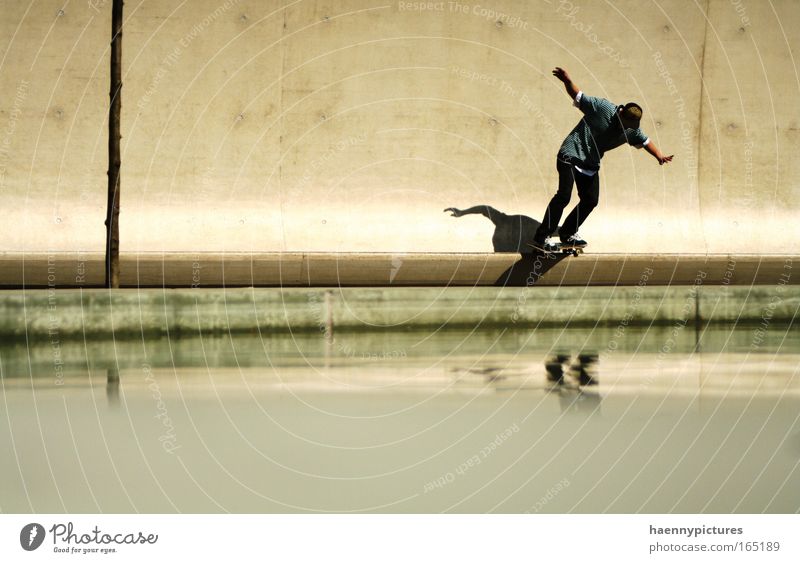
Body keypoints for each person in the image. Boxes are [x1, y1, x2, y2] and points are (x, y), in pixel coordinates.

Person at [531, 67, 673, 252]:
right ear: (621, 113)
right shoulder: (602, 107)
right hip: (570, 153)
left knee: (590, 200)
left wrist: (659, 156)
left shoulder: (631, 129)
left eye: (631, 126)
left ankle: (567, 233)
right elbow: (578, 95)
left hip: (590, 163)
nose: (627, 129)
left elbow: (645, 141)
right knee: (564, 196)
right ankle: (542, 237)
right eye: (626, 124)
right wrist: (566, 80)